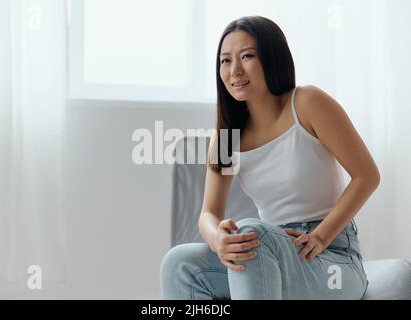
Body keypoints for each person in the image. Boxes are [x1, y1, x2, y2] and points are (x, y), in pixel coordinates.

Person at [159, 15, 380, 299]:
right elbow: (208, 214)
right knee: (179, 263)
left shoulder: (308, 103)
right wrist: (218, 239)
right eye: (225, 61)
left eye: (247, 56)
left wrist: (321, 236)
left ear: (272, 58)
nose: (234, 70)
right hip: (267, 255)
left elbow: (367, 176)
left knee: (253, 234)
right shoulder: (228, 134)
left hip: (332, 259)